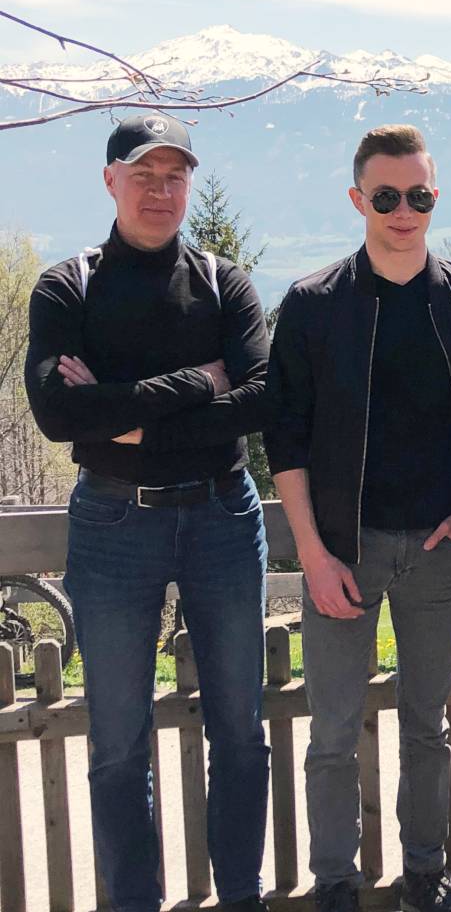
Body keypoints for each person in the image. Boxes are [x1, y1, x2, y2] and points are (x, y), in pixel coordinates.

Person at [24, 114, 271, 912]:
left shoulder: (224, 280)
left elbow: (262, 397)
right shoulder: (70, 286)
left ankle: (242, 898)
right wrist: (202, 382)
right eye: (144, 174)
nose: (161, 191)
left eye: (175, 176)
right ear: (110, 180)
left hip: (223, 519)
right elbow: (59, 415)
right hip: (112, 524)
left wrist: (122, 414)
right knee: (117, 745)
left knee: (240, 732)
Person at [265, 125, 451, 912]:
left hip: (438, 550)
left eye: (420, 195)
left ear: (437, 196)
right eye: (387, 196)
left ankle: (425, 877)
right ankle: (335, 885)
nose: (405, 211)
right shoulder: (312, 306)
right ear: (357, 199)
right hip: (343, 549)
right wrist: (314, 553)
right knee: (331, 733)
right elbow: (285, 441)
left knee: (427, 725)